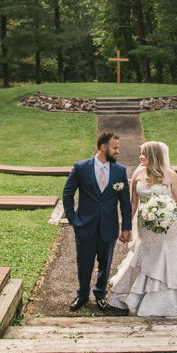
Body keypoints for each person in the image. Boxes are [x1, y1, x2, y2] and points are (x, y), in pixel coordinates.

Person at [108, 141, 177, 316]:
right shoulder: (138, 173)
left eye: (143, 153)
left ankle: (164, 295)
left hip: (166, 227)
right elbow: (133, 202)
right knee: (146, 254)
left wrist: (166, 214)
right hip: (144, 226)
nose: (140, 157)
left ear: (153, 155)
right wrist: (125, 226)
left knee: (164, 254)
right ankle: (139, 292)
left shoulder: (171, 175)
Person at [63, 131, 132, 312]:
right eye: (114, 148)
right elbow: (67, 194)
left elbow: (125, 201)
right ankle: (83, 294)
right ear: (103, 147)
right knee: (84, 264)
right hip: (84, 226)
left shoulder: (120, 171)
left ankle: (100, 294)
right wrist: (72, 219)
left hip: (108, 228)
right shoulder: (80, 167)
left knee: (105, 263)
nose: (117, 151)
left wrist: (126, 227)